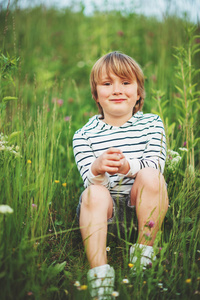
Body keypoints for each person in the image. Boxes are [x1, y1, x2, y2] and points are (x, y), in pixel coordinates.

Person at [73, 51, 169, 299]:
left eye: (126, 83)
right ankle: (100, 275)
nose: (117, 90)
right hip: (102, 213)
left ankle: (143, 256)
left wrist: (128, 167)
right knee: (93, 191)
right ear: (96, 94)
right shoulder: (84, 135)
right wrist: (97, 169)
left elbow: (156, 164)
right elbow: (90, 182)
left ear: (138, 93)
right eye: (107, 84)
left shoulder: (152, 124)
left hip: (142, 207)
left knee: (151, 176)